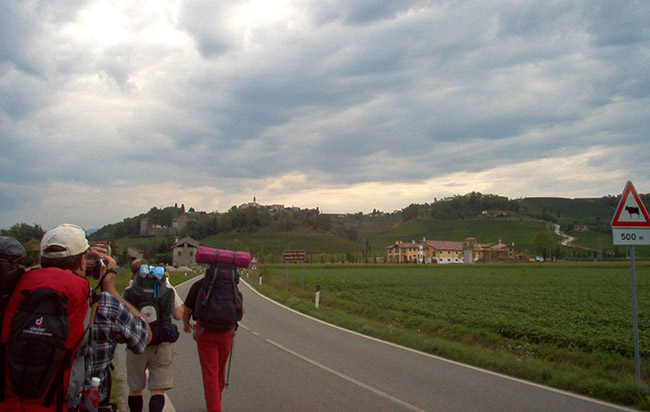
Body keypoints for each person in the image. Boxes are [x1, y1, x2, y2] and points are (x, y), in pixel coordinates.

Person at [0, 224, 151, 411]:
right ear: (82, 262)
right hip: (78, 405)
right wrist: (110, 288)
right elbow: (143, 337)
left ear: (41, 259)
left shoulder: (14, 294)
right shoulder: (103, 303)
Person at [123, 259, 184, 412]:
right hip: (160, 343)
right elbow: (178, 315)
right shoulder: (165, 287)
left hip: (136, 343)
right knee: (158, 389)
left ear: (133, 274)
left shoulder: (130, 289)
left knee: (135, 388)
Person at [183, 274, 243, 412]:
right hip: (226, 332)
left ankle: (214, 407)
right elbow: (241, 309)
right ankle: (217, 399)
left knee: (210, 372)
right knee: (220, 369)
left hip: (205, 332)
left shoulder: (199, 284)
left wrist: (185, 324)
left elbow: (186, 309)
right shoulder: (230, 285)